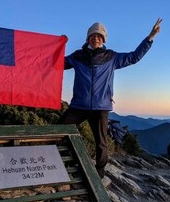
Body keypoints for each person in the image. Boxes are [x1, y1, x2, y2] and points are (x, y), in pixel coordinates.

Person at [61, 18, 162, 178]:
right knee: (61, 130)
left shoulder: (111, 57)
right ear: (88, 38)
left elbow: (134, 57)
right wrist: (59, 45)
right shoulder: (77, 56)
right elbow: (58, 63)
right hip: (79, 105)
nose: (96, 39)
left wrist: (150, 38)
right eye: (93, 36)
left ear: (103, 39)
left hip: (101, 107)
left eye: (99, 36)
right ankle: (64, 163)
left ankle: (99, 173)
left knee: (101, 142)